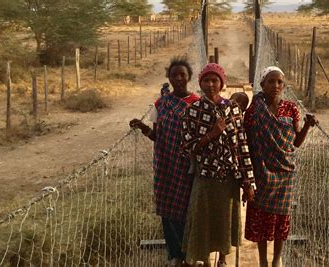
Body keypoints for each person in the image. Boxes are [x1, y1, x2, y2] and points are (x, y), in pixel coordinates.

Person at [180, 63, 256, 266]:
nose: (211, 84)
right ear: (200, 83)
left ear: (222, 83)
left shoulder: (232, 108)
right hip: (205, 175)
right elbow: (188, 146)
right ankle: (204, 259)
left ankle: (222, 258)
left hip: (228, 176)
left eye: (215, 80)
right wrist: (211, 135)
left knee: (224, 218)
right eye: (206, 80)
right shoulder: (192, 111)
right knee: (203, 219)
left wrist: (248, 181)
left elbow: (241, 144)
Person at [243, 66, 318, 267]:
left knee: (281, 219)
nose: (275, 85)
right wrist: (247, 177)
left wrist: (308, 126)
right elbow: (247, 142)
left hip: (285, 172)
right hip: (261, 172)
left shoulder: (292, 109)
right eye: (271, 81)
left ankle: (276, 258)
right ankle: (262, 260)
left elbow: (296, 142)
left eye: (279, 82)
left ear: (283, 86)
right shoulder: (254, 110)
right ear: (262, 84)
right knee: (260, 217)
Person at [129, 57, 200, 267]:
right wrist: (143, 127)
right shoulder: (162, 103)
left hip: (187, 166)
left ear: (189, 78)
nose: (178, 78)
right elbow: (156, 135)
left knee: (188, 209)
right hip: (165, 166)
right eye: (174, 75)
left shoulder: (196, 103)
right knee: (168, 212)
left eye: (182, 75)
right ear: (168, 78)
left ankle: (190, 252)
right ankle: (175, 254)